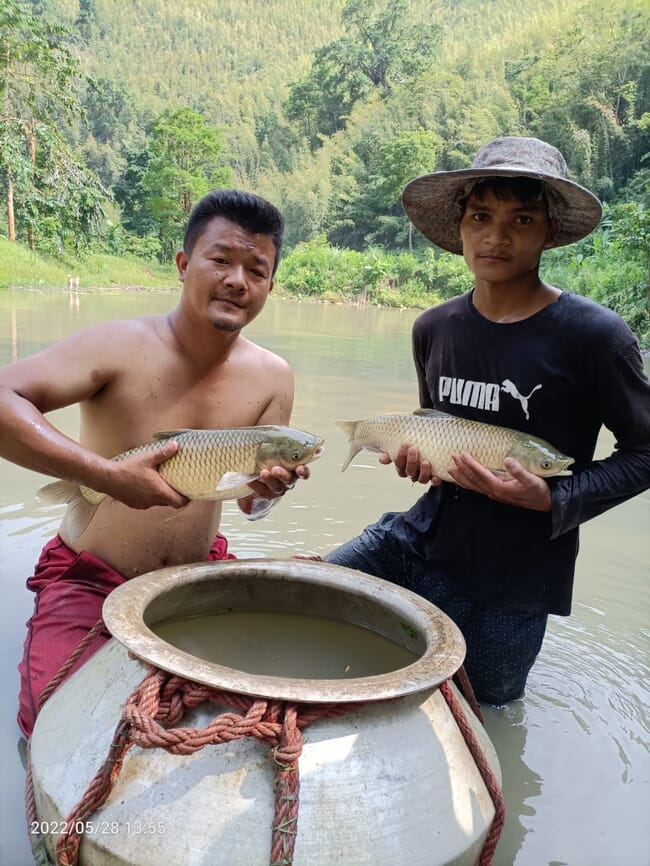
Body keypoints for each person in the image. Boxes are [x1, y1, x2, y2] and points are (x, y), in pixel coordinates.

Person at [326, 136, 650, 705]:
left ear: (550, 231)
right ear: (460, 225)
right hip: (419, 543)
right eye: (481, 216)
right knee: (313, 594)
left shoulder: (596, 337)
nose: (496, 237)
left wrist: (556, 498)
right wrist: (417, 463)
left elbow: (645, 452)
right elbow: (432, 427)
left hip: (516, 585)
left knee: (487, 714)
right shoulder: (434, 328)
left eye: (521, 219)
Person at [0, 189, 314, 736]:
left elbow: (248, 502)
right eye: (221, 259)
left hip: (195, 577)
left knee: (244, 722)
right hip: (91, 580)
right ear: (184, 263)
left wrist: (269, 490)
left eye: (257, 269)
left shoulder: (273, 377)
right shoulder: (118, 344)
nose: (238, 280)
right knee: (53, 723)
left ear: (270, 284)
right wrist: (106, 478)